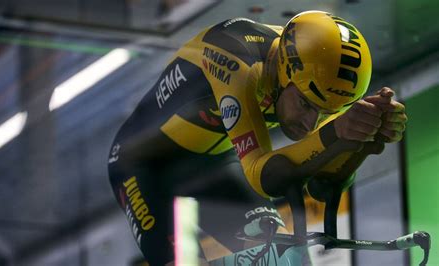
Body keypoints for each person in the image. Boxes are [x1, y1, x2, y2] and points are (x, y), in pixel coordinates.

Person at [108, 11, 407, 265]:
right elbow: (261, 176)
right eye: (306, 106)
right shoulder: (234, 58)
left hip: (209, 165)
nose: (310, 122)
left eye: (327, 113)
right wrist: (336, 132)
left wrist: (360, 141)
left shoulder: (306, 74)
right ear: (284, 71)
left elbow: (321, 183)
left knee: (277, 256)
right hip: (142, 167)